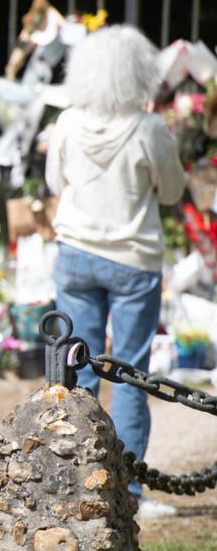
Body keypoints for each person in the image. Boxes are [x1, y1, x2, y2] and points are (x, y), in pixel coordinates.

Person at [46, 25, 187, 519]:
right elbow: (171, 192)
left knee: (74, 369)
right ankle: (126, 495)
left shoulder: (66, 122)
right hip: (133, 259)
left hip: (76, 254)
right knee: (129, 373)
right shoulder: (149, 128)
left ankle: (72, 484)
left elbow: (52, 181)